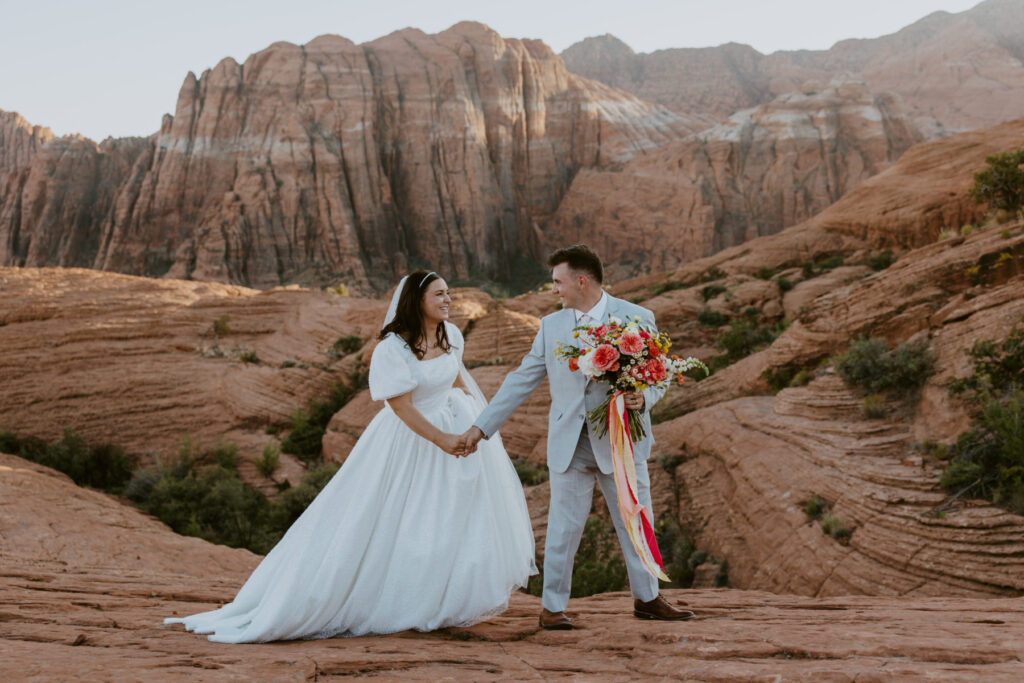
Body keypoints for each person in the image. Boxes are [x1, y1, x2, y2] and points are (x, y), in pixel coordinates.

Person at [164, 270, 536, 642]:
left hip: (454, 427)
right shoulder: (393, 348)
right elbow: (402, 408)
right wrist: (442, 439)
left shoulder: (451, 335)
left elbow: (456, 378)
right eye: (439, 294)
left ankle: (444, 600)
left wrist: (474, 425)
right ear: (417, 301)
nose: (448, 300)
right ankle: (387, 599)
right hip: (409, 440)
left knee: (451, 516)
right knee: (391, 519)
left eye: (448, 293)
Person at [460, 245, 696, 629]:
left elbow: (660, 373)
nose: (554, 289)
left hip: (621, 440)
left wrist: (643, 398)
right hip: (570, 444)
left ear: (581, 281)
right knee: (563, 529)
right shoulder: (551, 327)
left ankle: (648, 599)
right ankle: (552, 609)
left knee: (636, 520)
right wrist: (481, 427)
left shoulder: (638, 318)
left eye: (558, 281)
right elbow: (520, 380)